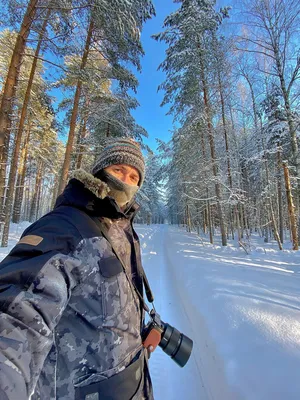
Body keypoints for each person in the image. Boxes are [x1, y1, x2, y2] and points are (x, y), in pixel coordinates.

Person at [0, 137, 154, 400]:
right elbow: (18, 311)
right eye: (118, 170)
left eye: (133, 176)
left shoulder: (122, 228)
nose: (125, 181)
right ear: (100, 171)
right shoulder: (64, 227)